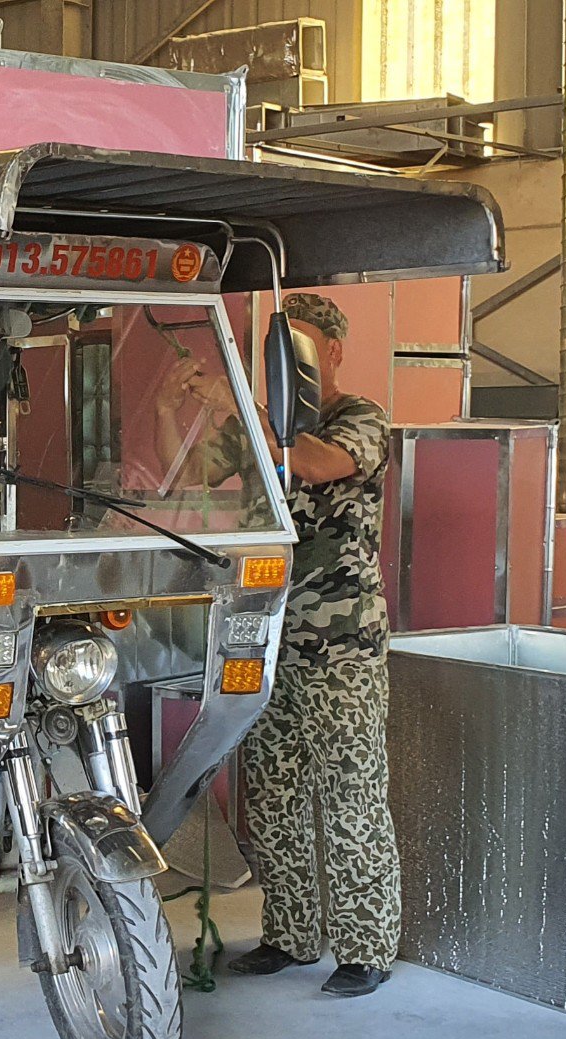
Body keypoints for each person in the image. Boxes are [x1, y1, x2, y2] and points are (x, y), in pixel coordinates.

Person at [163, 293, 403, 998]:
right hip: (268, 639)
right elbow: (188, 471)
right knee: (272, 794)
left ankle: (365, 947)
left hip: (342, 648)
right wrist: (175, 407)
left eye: (297, 350)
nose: (286, 365)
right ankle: (290, 935)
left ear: (332, 353)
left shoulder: (359, 419)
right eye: (277, 352)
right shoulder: (260, 421)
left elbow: (318, 465)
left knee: (352, 792)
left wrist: (238, 407)